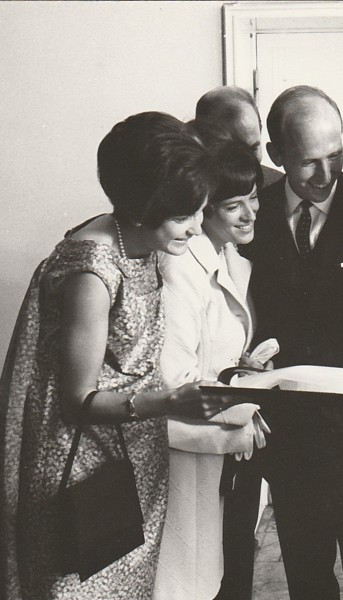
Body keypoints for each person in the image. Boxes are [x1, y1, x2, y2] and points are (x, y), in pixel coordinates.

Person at [0, 112, 237, 599]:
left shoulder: (143, 238)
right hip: (77, 474)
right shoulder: (92, 270)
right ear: (141, 207)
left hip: (131, 463)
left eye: (200, 211)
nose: (196, 227)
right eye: (182, 216)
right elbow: (77, 402)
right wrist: (170, 402)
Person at [238, 85, 343, 600]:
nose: (326, 174)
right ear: (275, 156)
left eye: (335, 154)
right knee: (307, 576)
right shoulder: (249, 215)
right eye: (309, 162)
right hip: (286, 436)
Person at [153, 124, 269, 600]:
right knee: (183, 581)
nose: (250, 213)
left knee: (211, 574)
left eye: (254, 197)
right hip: (183, 457)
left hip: (218, 457)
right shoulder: (181, 268)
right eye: (232, 204)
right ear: (204, 207)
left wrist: (242, 371)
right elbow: (172, 386)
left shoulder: (230, 259)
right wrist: (242, 412)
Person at [196, 85, 283, 188]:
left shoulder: (278, 188)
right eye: (235, 153)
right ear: (204, 142)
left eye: (254, 148)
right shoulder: (192, 193)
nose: (248, 162)